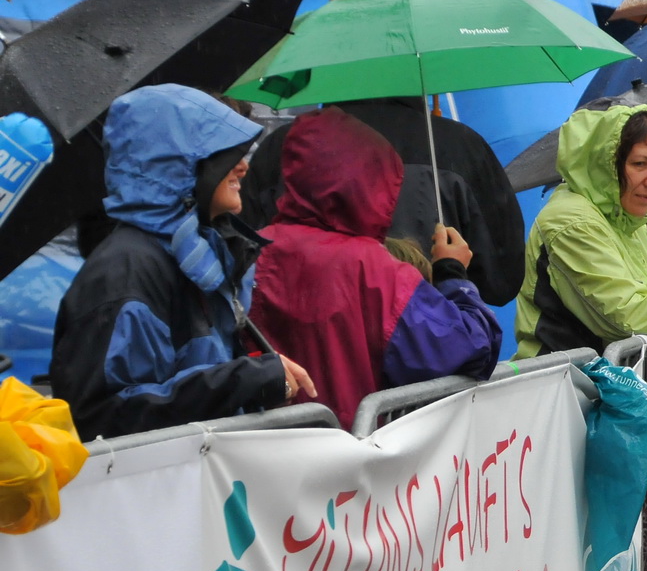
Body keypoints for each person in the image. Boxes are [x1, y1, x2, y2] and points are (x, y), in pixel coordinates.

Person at [50, 85, 316, 440]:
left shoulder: (194, 253)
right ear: (181, 166)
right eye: (226, 154)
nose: (243, 166)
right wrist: (245, 380)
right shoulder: (129, 269)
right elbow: (102, 419)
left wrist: (254, 389)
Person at [250, 107, 500, 430]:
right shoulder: (375, 270)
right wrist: (452, 273)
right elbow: (469, 348)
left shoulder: (248, 250)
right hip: (355, 456)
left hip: (258, 458)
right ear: (371, 183)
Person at [240, 96, 525, 305]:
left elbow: (242, 263)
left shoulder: (282, 147)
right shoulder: (461, 146)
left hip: (302, 360)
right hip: (433, 350)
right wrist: (449, 272)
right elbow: (500, 281)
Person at [515, 105, 647, 357]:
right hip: (565, 391)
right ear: (606, 163)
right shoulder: (571, 221)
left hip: (604, 387)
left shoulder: (625, 217)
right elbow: (629, 318)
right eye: (640, 163)